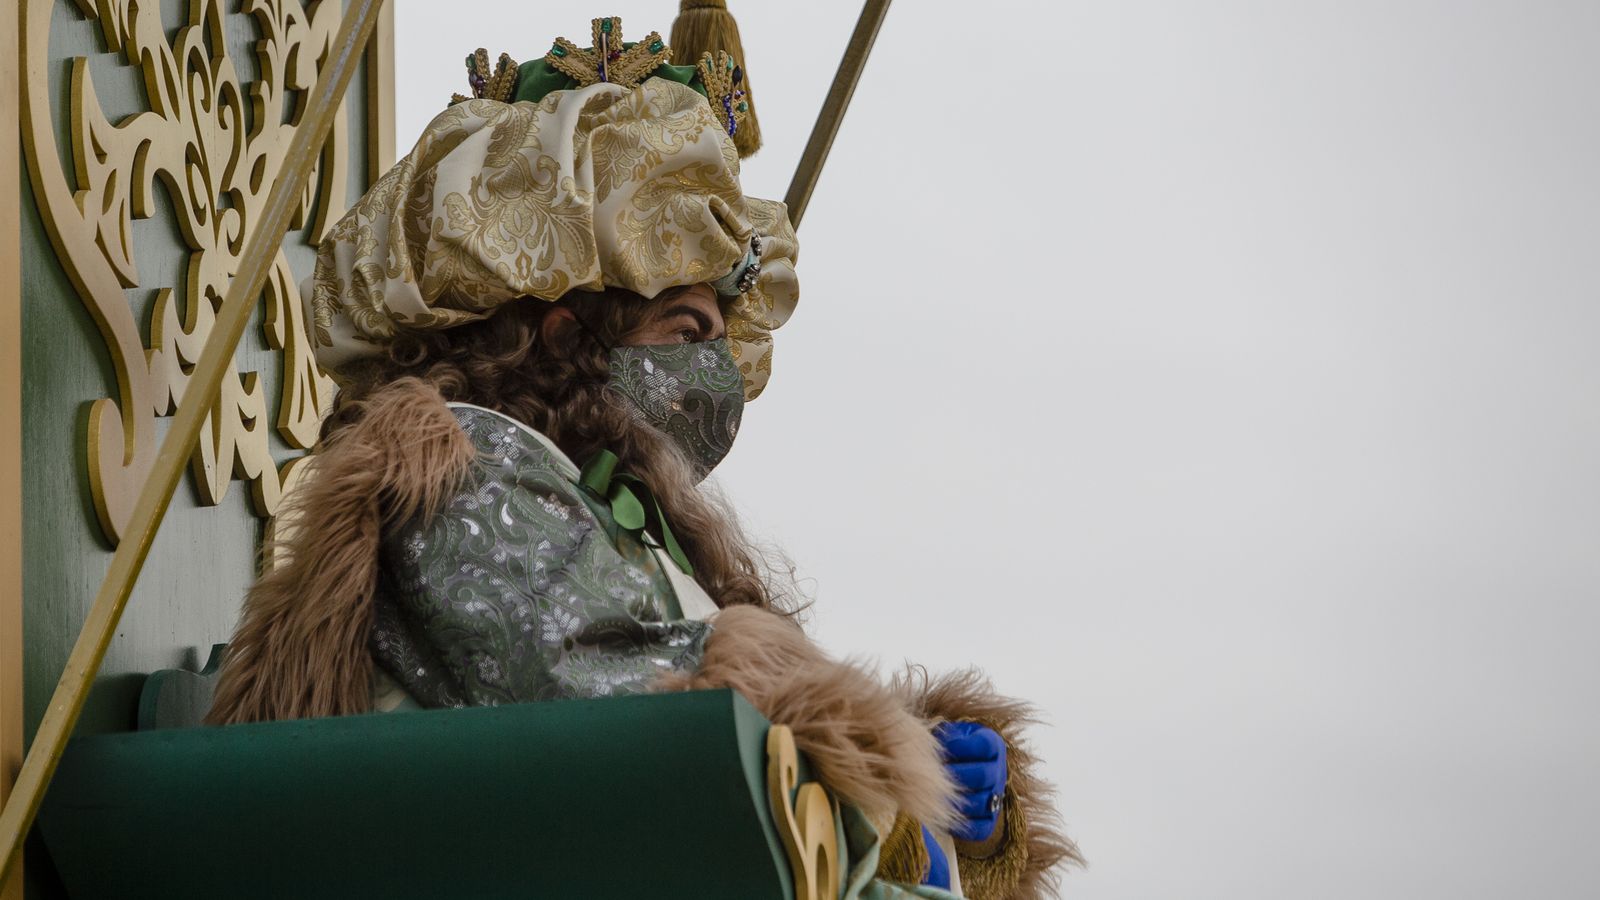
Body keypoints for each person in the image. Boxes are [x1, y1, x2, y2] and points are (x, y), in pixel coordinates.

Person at [206, 13, 1079, 897]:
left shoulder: (616, 513)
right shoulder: (462, 462)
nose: (715, 375)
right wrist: (869, 775)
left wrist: (924, 781)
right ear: (564, 331)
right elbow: (621, 706)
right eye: (688, 329)